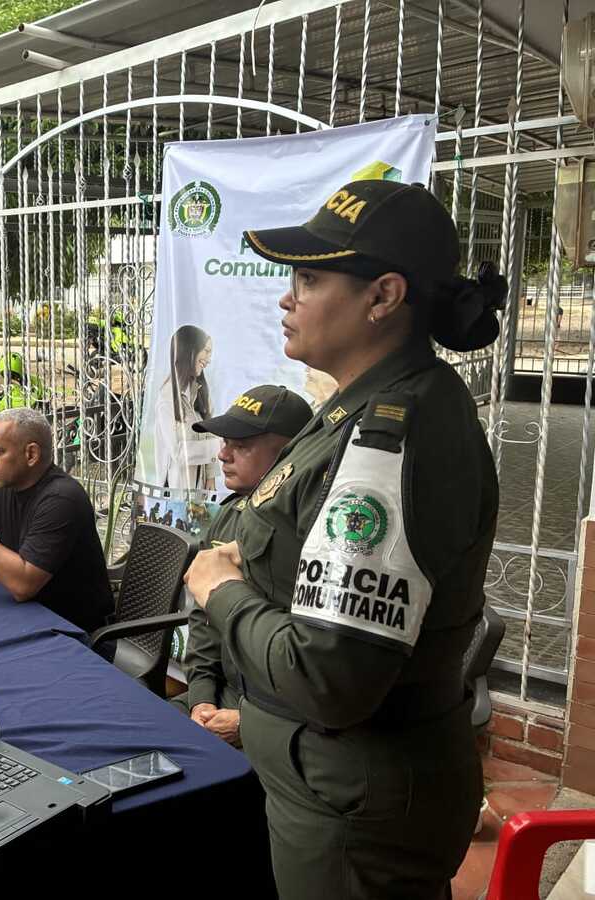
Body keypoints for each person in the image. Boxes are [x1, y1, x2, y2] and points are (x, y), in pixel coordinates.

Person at [184, 179, 504, 899]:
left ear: (383, 296)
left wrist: (222, 589)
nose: (286, 299)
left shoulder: (395, 433)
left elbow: (329, 680)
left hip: (350, 807)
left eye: (308, 278)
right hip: (328, 788)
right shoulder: (355, 412)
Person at [171, 384, 313, 749]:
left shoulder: (310, 536)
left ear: (289, 454)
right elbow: (204, 620)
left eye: (241, 445)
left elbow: (317, 664)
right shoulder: (231, 514)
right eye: (225, 442)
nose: (223, 454)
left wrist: (249, 724)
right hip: (218, 698)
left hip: (283, 723)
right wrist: (201, 698)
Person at [0, 407, 113, 633]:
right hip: (26, 615)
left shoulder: (62, 499)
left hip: (73, 632)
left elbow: (23, 586)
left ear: (31, 454)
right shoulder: (1, 486)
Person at [153, 325, 219, 494]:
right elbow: (178, 452)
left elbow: (210, 433)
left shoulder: (200, 391)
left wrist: (211, 476)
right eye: (206, 351)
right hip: (176, 491)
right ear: (190, 350)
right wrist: (218, 447)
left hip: (200, 488)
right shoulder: (167, 398)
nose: (208, 359)